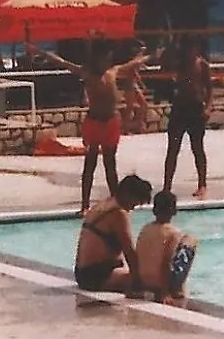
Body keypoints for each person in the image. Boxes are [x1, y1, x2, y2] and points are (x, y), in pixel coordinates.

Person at [34, 40, 145, 214]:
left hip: (110, 122)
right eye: (105, 58)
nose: (107, 61)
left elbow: (133, 64)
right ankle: (85, 205)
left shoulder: (112, 71)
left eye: (109, 58)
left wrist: (149, 55)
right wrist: (42, 52)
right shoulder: (87, 73)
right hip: (94, 122)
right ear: (97, 58)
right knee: (90, 163)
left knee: (110, 165)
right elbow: (63, 63)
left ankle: (116, 203)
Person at [75, 174, 152, 292]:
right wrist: (137, 282)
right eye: (135, 203)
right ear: (128, 195)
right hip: (95, 276)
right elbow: (129, 251)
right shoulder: (118, 213)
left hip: (83, 272)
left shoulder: (103, 205)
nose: (133, 208)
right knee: (151, 280)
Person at [163, 34, 212, 198]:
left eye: (192, 48)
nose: (189, 51)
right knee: (172, 149)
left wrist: (208, 108)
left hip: (195, 108)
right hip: (180, 107)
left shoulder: (202, 65)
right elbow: (165, 64)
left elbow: (210, 89)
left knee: (197, 148)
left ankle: (202, 184)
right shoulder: (179, 64)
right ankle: (167, 186)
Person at [132, 190, 200, 305]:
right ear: (174, 211)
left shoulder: (145, 229)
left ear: (154, 210)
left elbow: (137, 255)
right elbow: (166, 262)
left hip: (143, 282)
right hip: (159, 285)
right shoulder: (173, 233)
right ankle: (178, 289)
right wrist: (165, 293)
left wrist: (135, 284)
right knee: (191, 241)